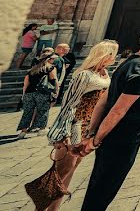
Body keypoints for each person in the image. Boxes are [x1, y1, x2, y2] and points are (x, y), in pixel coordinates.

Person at [74, 26, 140, 211]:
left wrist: (92, 133)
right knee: (103, 191)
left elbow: (103, 101)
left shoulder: (129, 63)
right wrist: (94, 141)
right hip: (122, 140)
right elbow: (118, 110)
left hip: (114, 138)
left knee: (99, 188)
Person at [43, 40, 118, 211]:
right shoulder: (83, 75)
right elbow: (69, 103)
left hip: (88, 126)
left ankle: (54, 208)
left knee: (72, 168)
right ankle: (43, 208)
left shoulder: (105, 73)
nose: (114, 58)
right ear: (105, 55)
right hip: (74, 125)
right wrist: (64, 132)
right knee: (62, 169)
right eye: (113, 54)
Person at [17, 48, 59, 138]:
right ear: (49, 59)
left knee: (27, 112)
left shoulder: (32, 69)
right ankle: (41, 129)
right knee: (43, 110)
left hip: (29, 93)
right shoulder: (50, 68)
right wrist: (56, 92)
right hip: (42, 92)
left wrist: (23, 95)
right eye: (52, 58)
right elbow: (54, 81)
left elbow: (26, 84)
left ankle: (23, 131)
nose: (54, 60)